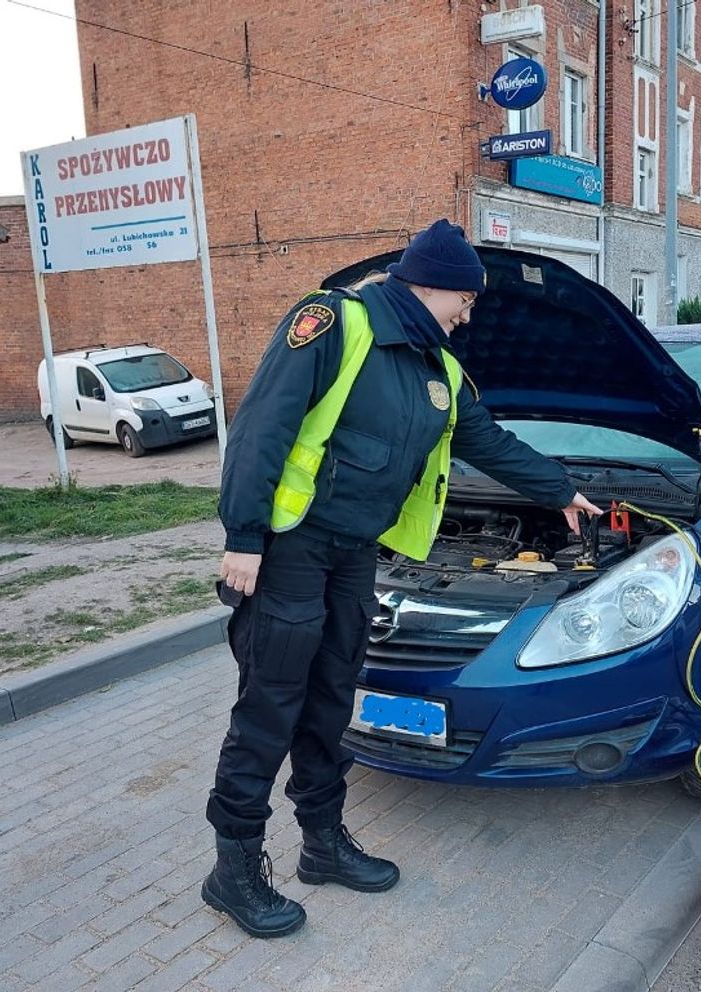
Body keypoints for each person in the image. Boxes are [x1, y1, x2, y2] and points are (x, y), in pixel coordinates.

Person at [202, 219, 602, 938]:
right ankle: (233, 870)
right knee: (270, 708)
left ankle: (322, 846)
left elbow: (488, 441)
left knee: (329, 703)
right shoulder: (334, 323)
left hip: (355, 554)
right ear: (434, 284)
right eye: (467, 300)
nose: (469, 314)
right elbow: (264, 425)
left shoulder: (437, 369)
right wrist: (243, 536)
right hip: (290, 551)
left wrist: (557, 489)